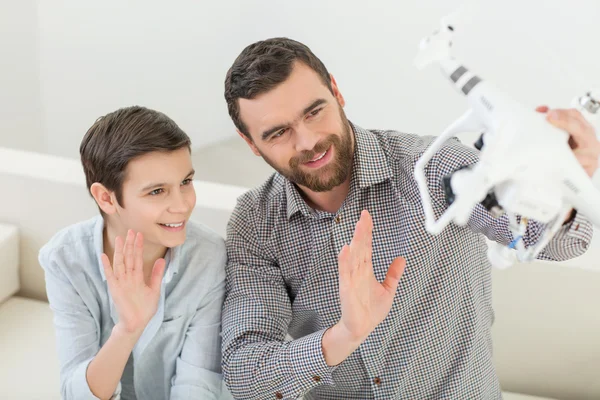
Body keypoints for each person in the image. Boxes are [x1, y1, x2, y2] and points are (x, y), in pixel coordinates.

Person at [220, 37, 598, 399]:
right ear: (250, 142)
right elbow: (247, 375)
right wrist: (345, 335)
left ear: (336, 91)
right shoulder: (255, 223)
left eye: (314, 111)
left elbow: (562, 241)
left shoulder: (432, 166)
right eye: (278, 133)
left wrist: (565, 187)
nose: (306, 141)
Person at [39, 106, 227, 400]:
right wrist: (128, 329)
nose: (182, 205)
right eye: (156, 191)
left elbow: (198, 383)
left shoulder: (209, 255)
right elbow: (75, 394)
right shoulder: (64, 260)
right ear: (106, 198)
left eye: (186, 182)